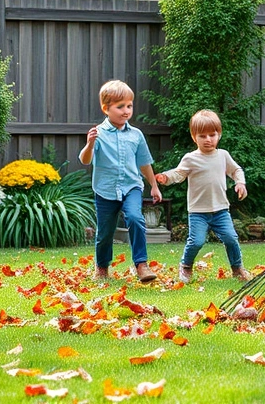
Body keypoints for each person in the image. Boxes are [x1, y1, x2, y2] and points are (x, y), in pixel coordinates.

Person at [154, 110, 253, 284]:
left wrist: (240, 183)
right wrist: (166, 177)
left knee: (231, 238)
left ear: (219, 134)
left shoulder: (223, 155)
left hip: (221, 210)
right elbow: (179, 174)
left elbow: (236, 170)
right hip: (198, 212)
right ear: (194, 137)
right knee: (196, 242)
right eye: (202, 136)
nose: (208, 139)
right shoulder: (190, 158)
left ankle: (237, 269)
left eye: (212, 135)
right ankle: (186, 266)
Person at [79, 80, 162, 283]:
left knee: (135, 218)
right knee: (105, 232)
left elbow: (144, 163)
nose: (126, 111)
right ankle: (102, 267)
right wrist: (90, 144)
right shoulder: (98, 133)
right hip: (105, 190)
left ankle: (141, 265)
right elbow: (85, 160)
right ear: (105, 108)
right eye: (120, 106)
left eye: (129, 106)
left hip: (132, 186)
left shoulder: (136, 135)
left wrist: (154, 185)